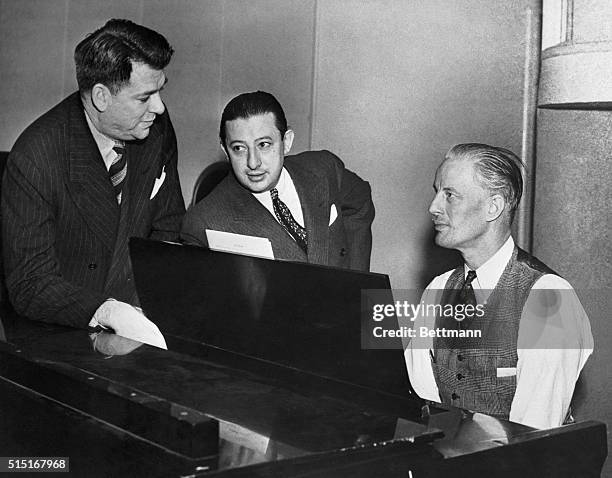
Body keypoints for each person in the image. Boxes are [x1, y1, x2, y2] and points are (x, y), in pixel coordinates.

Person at [1, 19, 185, 345]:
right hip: (65, 337)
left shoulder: (156, 128)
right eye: (144, 97)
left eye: (160, 90)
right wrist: (110, 312)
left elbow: (169, 228)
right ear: (101, 97)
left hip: (145, 322)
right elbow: (30, 284)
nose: (159, 107)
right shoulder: (36, 156)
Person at [403, 143, 593, 429]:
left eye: (450, 195)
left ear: (493, 206)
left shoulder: (548, 298)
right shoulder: (438, 289)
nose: (433, 208)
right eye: (436, 192)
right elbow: (424, 402)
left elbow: (533, 436)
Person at [181, 91, 374, 271]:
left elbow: (360, 203)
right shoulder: (203, 223)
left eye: (264, 145)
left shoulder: (323, 168)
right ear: (225, 150)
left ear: (286, 142)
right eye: (239, 148)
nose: (253, 162)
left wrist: (355, 281)